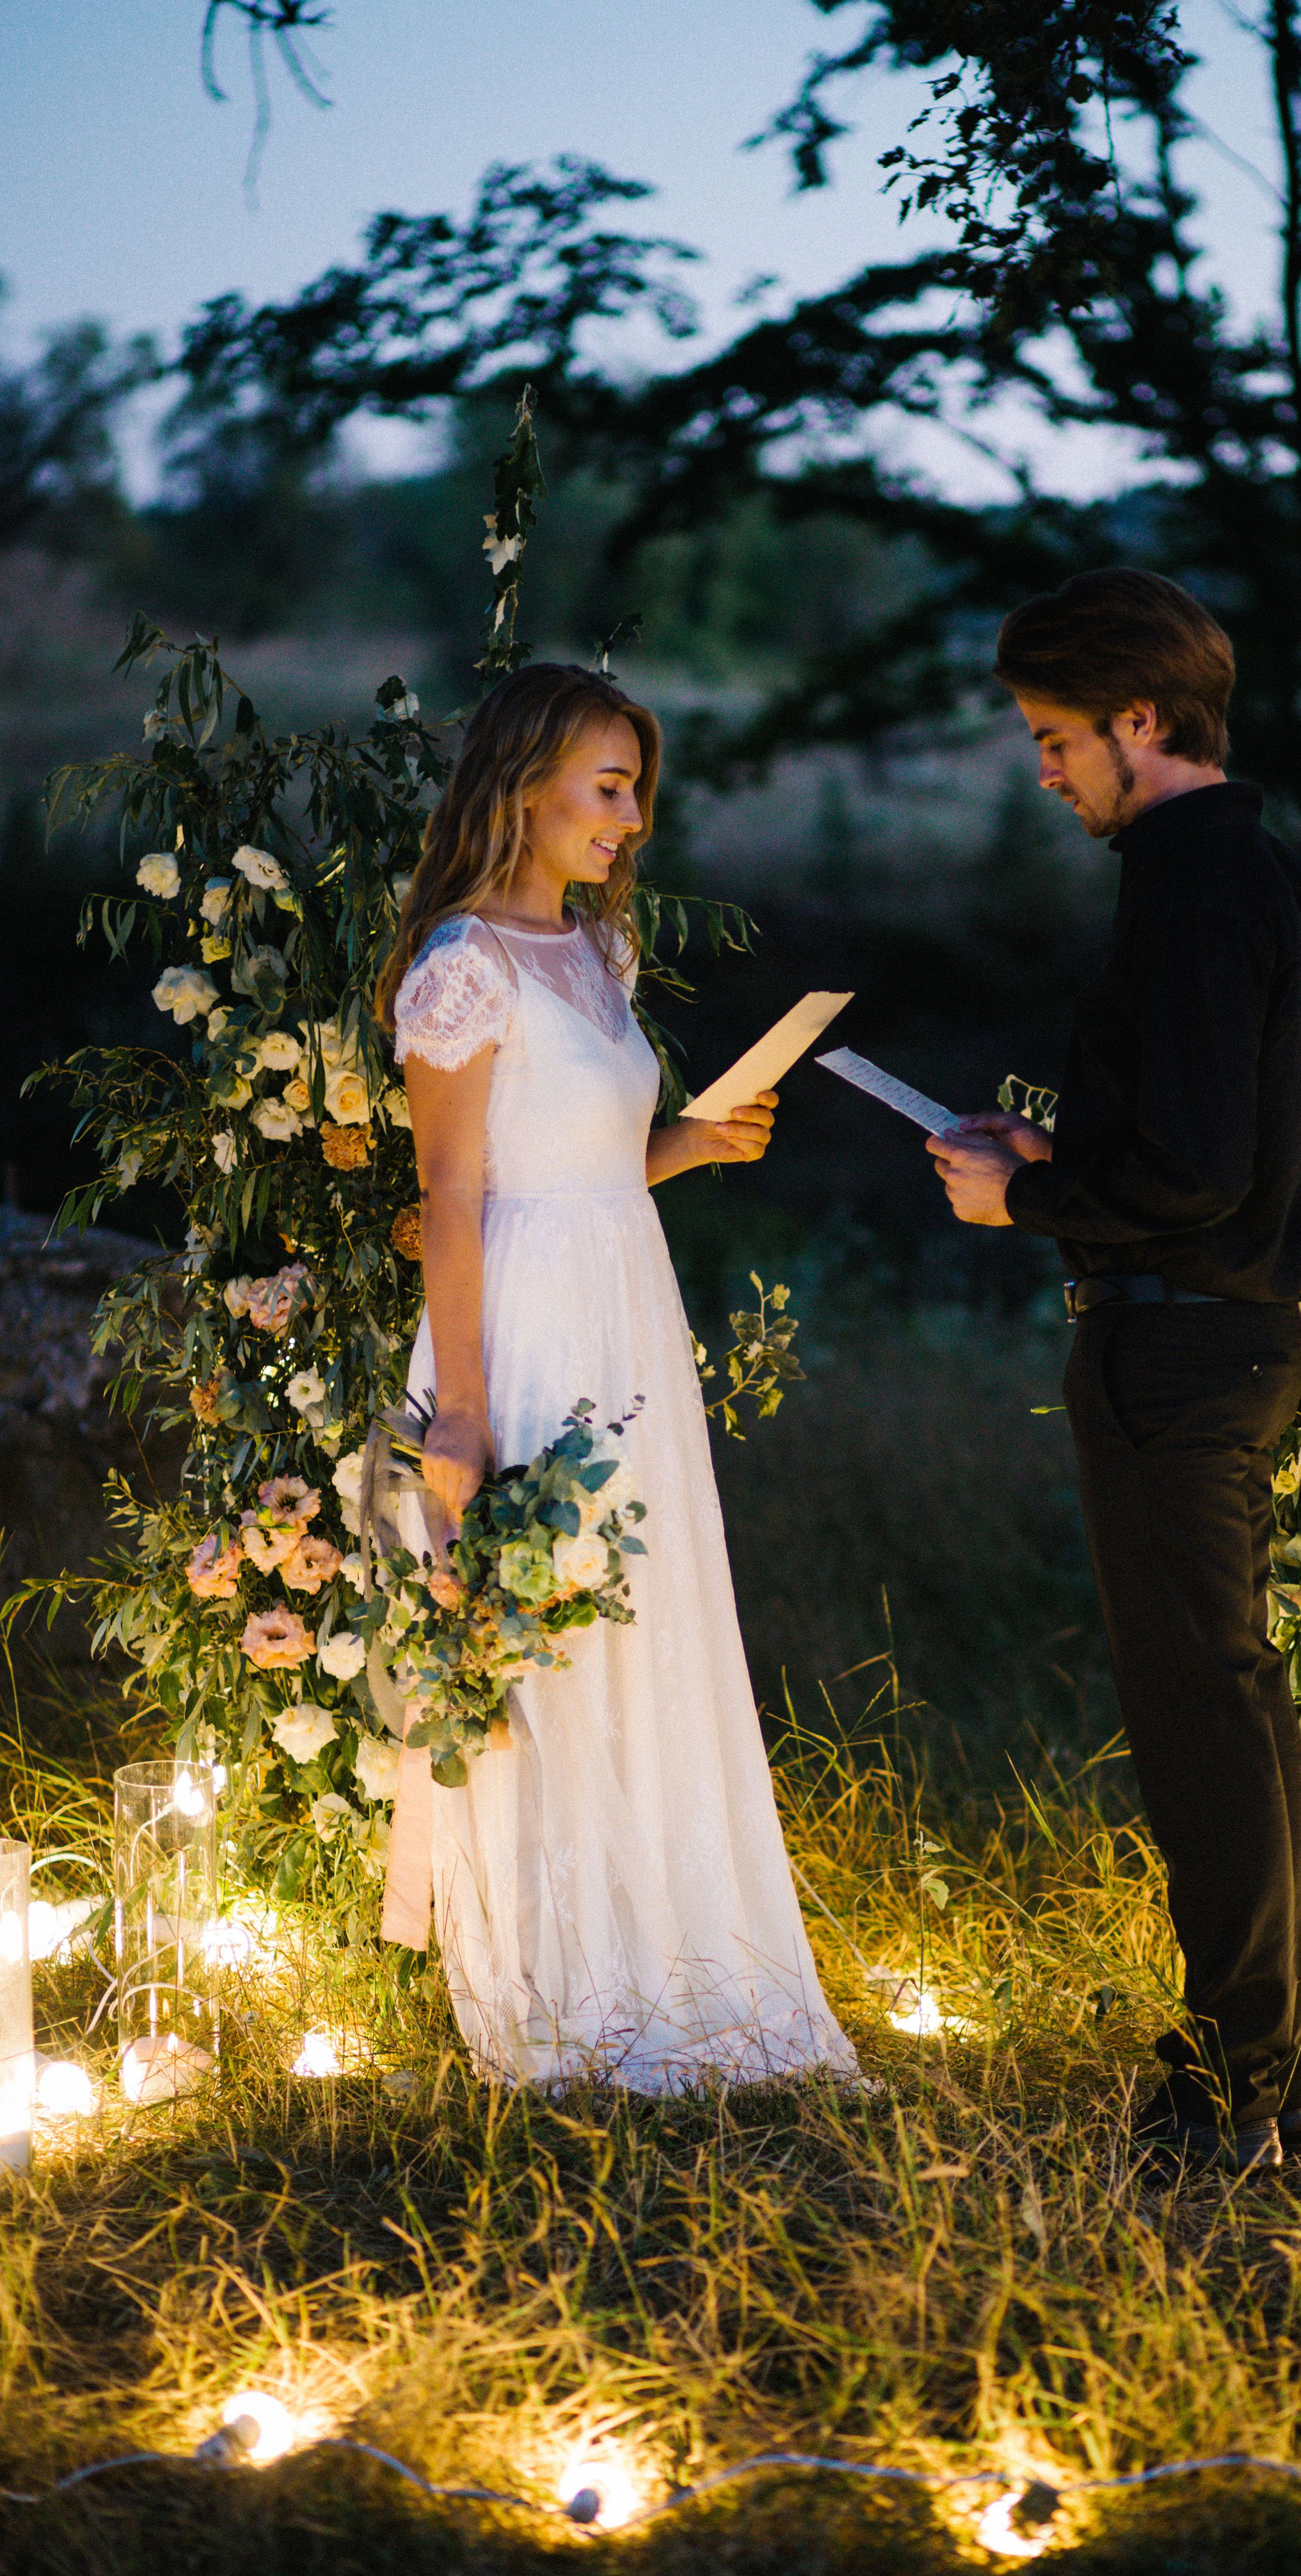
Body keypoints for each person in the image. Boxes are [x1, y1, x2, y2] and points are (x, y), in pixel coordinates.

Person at [373, 660, 857, 2095]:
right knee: (540, 1637)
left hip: (624, 1313)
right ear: (522, 788)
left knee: (639, 1621)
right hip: (515, 1329)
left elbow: (576, 1162)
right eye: (608, 786)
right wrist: (459, 1411)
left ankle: (680, 1956)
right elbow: (456, 1196)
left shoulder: (596, 955)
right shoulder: (458, 967)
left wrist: (689, 1148)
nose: (631, 817)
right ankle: (560, 1977)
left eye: (637, 789)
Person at [929, 569, 1301, 2177]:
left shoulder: (1187, 889)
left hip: (1173, 1344)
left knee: (1199, 1719)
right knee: (1231, 1707)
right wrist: (1065, 1150)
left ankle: (1232, 2089)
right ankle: (1270, 2066)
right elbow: (1215, 1138)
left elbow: (1188, 1165)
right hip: (1226, 1326)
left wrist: (1021, 1194)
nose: (1042, 772)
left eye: (1053, 739)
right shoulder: (1260, 870)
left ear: (1139, 721)